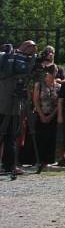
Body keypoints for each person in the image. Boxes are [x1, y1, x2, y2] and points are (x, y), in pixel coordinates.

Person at [0, 40, 37, 173]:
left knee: (10, 135)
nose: (33, 52)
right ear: (25, 46)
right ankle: (9, 166)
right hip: (6, 102)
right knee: (6, 134)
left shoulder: (15, 59)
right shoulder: (9, 57)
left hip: (12, 102)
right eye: (32, 48)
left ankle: (9, 165)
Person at [33, 65, 61, 167]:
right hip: (41, 113)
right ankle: (38, 160)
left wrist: (51, 115)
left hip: (52, 115)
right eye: (52, 72)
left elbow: (59, 103)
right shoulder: (39, 85)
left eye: (55, 72)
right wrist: (41, 115)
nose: (54, 74)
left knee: (51, 137)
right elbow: (35, 100)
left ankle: (49, 160)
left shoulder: (58, 86)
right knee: (40, 137)